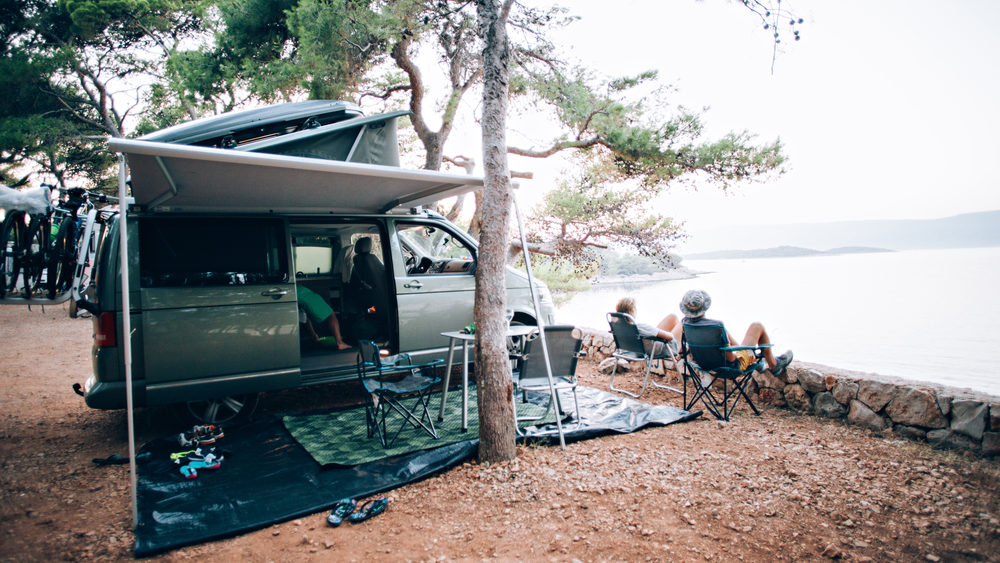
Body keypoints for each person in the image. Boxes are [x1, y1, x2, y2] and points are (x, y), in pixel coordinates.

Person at [678, 289, 793, 375]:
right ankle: (774, 365)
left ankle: (755, 359)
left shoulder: (686, 325)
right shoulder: (716, 326)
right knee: (757, 326)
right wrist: (742, 354)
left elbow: (684, 350)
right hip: (730, 367)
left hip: (703, 365)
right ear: (704, 307)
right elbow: (731, 359)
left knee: (730, 339)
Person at [615, 296, 682, 356]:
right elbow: (670, 337)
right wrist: (670, 333)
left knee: (672, 317)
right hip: (664, 350)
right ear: (632, 311)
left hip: (641, 350)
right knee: (682, 322)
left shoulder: (620, 328)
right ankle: (684, 347)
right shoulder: (640, 327)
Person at [296, 285, 351, 350]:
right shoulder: (304, 293)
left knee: (304, 314)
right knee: (331, 315)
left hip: (294, 295)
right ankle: (340, 343)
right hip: (300, 292)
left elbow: (303, 318)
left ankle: (315, 337)